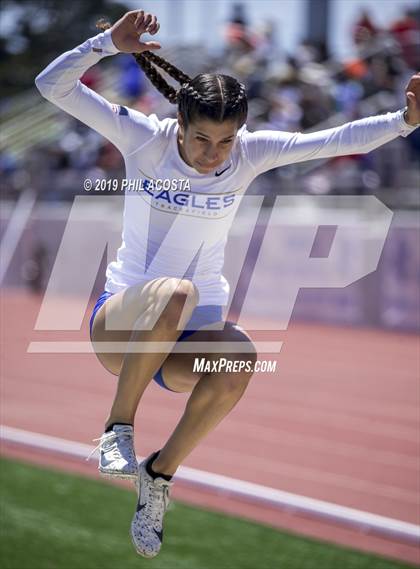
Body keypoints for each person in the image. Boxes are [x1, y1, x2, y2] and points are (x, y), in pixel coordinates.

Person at [35, 9, 420, 559]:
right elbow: (51, 86)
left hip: (183, 343)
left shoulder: (249, 154)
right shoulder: (142, 138)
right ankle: (117, 428)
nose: (214, 153)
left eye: (225, 140)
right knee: (175, 292)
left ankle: (159, 475)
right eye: (201, 139)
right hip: (122, 326)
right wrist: (103, 45)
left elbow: (333, 139)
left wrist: (404, 122)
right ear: (180, 122)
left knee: (239, 357)